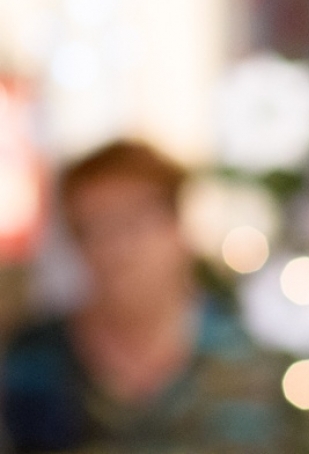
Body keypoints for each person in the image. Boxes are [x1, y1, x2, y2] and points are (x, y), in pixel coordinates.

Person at [1, 141, 291, 452]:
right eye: (93, 229)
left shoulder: (251, 362)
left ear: (178, 228)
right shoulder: (29, 361)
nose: (115, 249)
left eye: (133, 223)